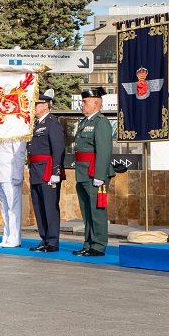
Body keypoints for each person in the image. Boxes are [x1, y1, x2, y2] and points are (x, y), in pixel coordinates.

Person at [72, 87, 114, 256]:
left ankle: (98, 245)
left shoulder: (101, 122)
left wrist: (99, 175)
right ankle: (88, 242)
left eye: (85, 102)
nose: (82, 105)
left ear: (96, 103)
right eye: (82, 101)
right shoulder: (84, 122)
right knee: (87, 210)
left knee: (97, 211)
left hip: (94, 172)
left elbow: (104, 150)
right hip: (83, 172)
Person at [28, 89, 65, 252]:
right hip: (36, 170)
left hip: (47, 171)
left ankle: (52, 241)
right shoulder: (36, 124)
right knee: (39, 206)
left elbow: (58, 149)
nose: (34, 107)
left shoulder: (52, 123)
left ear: (45, 105)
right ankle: (44, 238)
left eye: (36, 104)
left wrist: (56, 172)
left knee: (50, 206)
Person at [0, 137, 27, 249]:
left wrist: (17, 174)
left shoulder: (15, 131)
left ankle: (14, 238)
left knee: (13, 208)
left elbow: (19, 153)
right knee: (4, 208)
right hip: (0, 174)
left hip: (10, 174)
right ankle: (6, 237)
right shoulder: (0, 130)